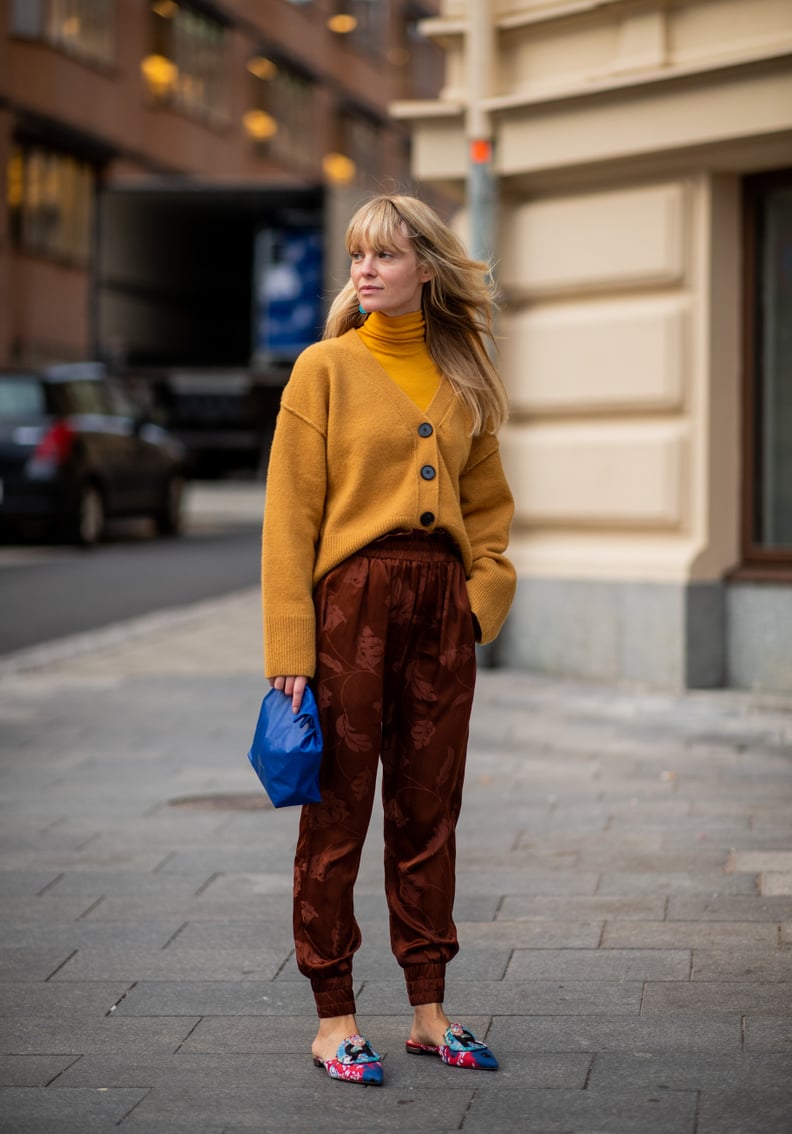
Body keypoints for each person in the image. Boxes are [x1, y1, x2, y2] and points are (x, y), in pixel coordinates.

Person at [261, 193, 516, 1087]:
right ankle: (335, 1017)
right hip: (351, 612)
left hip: (441, 610)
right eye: (357, 256)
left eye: (386, 255)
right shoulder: (322, 369)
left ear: (428, 269)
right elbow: (289, 519)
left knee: (429, 811)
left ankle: (429, 1010)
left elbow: (487, 508)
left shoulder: (467, 375)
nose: (365, 271)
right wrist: (290, 646)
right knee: (337, 813)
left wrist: (482, 597)